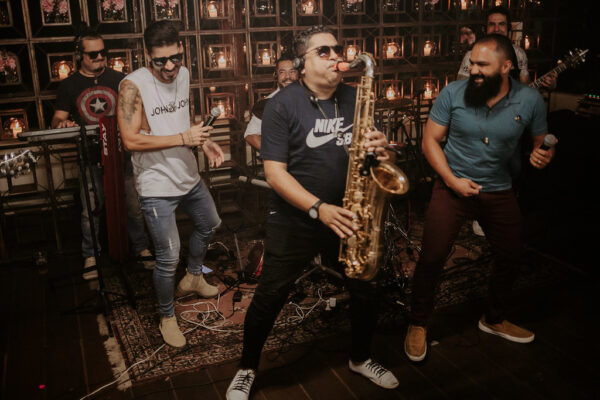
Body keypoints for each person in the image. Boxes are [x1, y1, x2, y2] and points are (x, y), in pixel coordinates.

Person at [226, 25, 399, 400]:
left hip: (350, 211)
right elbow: (275, 174)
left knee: (366, 286)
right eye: (324, 51)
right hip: (296, 216)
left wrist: (384, 151)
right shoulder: (281, 104)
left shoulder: (356, 96)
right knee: (271, 294)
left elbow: (380, 157)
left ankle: (360, 357)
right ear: (302, 64)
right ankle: (247, 367)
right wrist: (319, 209)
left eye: (338, 49)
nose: (336, 56)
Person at [404, 34, 556, 362]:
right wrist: (451, 181)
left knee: (511, 255)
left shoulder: (529, 100)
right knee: (431, 257)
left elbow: (542, 141)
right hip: (452, 185)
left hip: (499, 189)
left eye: (482, 65)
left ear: (506, 67)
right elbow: (430, 141)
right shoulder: (453, 93)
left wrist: (543, 154)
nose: (473, 70)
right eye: (472, 63)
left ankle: (494, 318)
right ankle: (418, 322)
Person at [117, 20, 225, 348]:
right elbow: (130, 140)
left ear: (182, 49)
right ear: (146, 54)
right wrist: (183, 137)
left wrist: (202, 141)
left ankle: (193, 276)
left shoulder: (184, 74)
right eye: (160, 61)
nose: (168, 67)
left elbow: (179, 119)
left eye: (174, 58)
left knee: (210, 223)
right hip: (155, 184)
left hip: (187, 173)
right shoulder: (132, 86)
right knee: (168, 256)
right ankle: (167, 316)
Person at [51, 28, 155, 279]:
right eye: (93, 54)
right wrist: (62, 124)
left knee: (133, 207)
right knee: (90, 210)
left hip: (123, 156)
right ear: (80, 56)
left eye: (103, 52)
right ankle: (91, 255)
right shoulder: (69, 85)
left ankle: (141, 248)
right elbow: (57, 119)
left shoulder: (121, 80)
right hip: (90, 157)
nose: (100, 57)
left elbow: (140, 112)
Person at [457, 6, 557, 88]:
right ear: (485, 28)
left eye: (501, 24)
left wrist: (548, 85)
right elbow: (459, 90)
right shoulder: (472, 55)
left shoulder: (519, 54)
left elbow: (526, 87)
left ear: (508, 28)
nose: (496, 29)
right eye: (492, 24)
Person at [243, 55, 298, 151]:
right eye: (282, 72)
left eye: (292, 71)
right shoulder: (268, 103)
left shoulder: (311, 97)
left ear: (299, 73)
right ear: (276, 75)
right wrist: (277, 154)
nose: (287, 76)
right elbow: (250, 135)